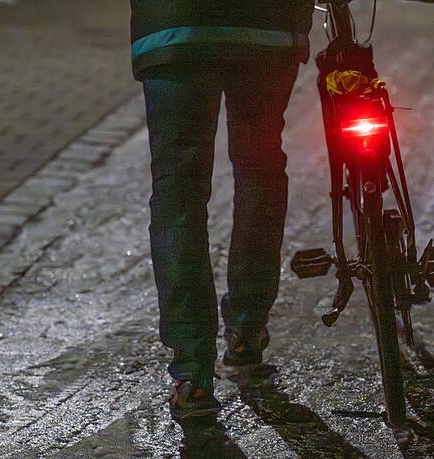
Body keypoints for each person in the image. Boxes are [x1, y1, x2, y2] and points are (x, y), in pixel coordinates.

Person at [129, 1, 315, 421]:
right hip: (266, 27)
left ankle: (193, 371)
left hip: (174, 25)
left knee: (178, 192)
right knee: (259, 166)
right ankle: (247, 330)